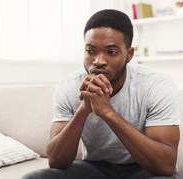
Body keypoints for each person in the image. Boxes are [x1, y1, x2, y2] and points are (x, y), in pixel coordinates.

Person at [22, 9, 182, 179]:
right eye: (90, 51)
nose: (98, 61)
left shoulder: (156, 84)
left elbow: (165, 166)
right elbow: (56, 162)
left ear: (129, 55)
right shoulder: (68, 86)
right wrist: (83, 110)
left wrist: (108, 113)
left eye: (111, 52)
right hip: (94, 168)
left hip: (143, 170)